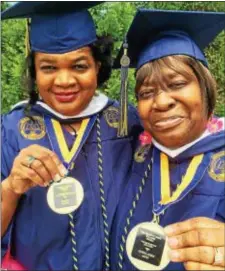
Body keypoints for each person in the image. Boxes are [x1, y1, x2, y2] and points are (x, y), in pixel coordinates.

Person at [1, 2, 141, 270]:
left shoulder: (125, 123)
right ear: (35, 72)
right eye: (49, 68)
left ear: (97, 67)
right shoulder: (11, 130)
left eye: (78, 66)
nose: (64, 80)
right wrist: (10, 187)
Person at [111, 9, 225, 271]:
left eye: (176, 84)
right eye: (147, 92)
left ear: (207, 88)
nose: (161, 102)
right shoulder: (129, 154)